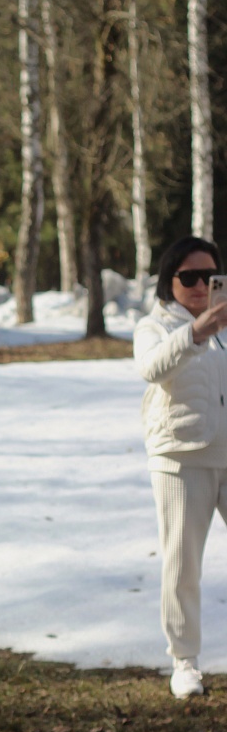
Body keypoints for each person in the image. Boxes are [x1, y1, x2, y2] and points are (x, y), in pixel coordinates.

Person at [134, 235, 227, 698]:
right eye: (187, 277)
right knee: (182, 564)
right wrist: (197, 331)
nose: (198, 285)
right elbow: (151, 368)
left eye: (208, 277)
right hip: (179, 457)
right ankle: (184, 663)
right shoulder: (154, 327)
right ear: (169, 281)